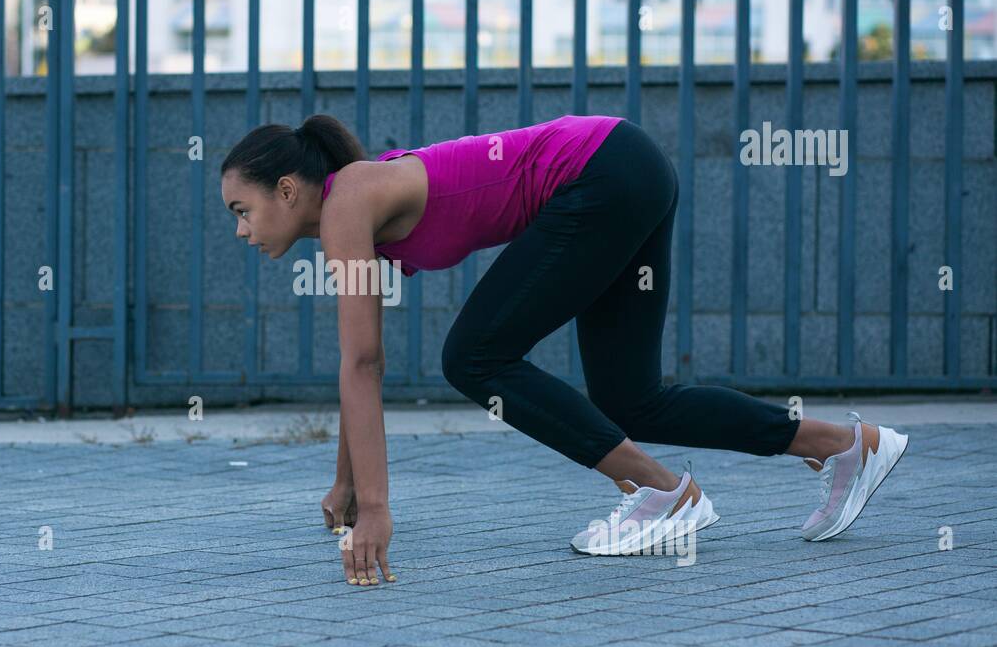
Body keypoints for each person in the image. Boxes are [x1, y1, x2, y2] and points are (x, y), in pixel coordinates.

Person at [219, 113, 910, 585]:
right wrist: (347, 485)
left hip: (600, 174)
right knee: (631, 398)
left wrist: (375, 508)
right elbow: (360, 362)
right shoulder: (355, 202)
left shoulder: (344, 205)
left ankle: (661, 491)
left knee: (473, 357)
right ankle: (845, 446)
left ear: (287, 189)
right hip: (625, 163)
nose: (242, 233)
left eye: (242, 211)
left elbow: (363, 365)